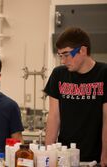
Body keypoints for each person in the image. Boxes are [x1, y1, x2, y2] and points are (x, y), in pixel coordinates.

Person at [44, 27, 107, 166]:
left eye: (66, 54)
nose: (62, 61)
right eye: (60, 55)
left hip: (95, 157)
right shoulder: (59, 74)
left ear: (82, 50)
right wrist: (47, 155)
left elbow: (106, 117)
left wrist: (105, 154)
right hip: (64, 156)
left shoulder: (104, 73)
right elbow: (54, 116)